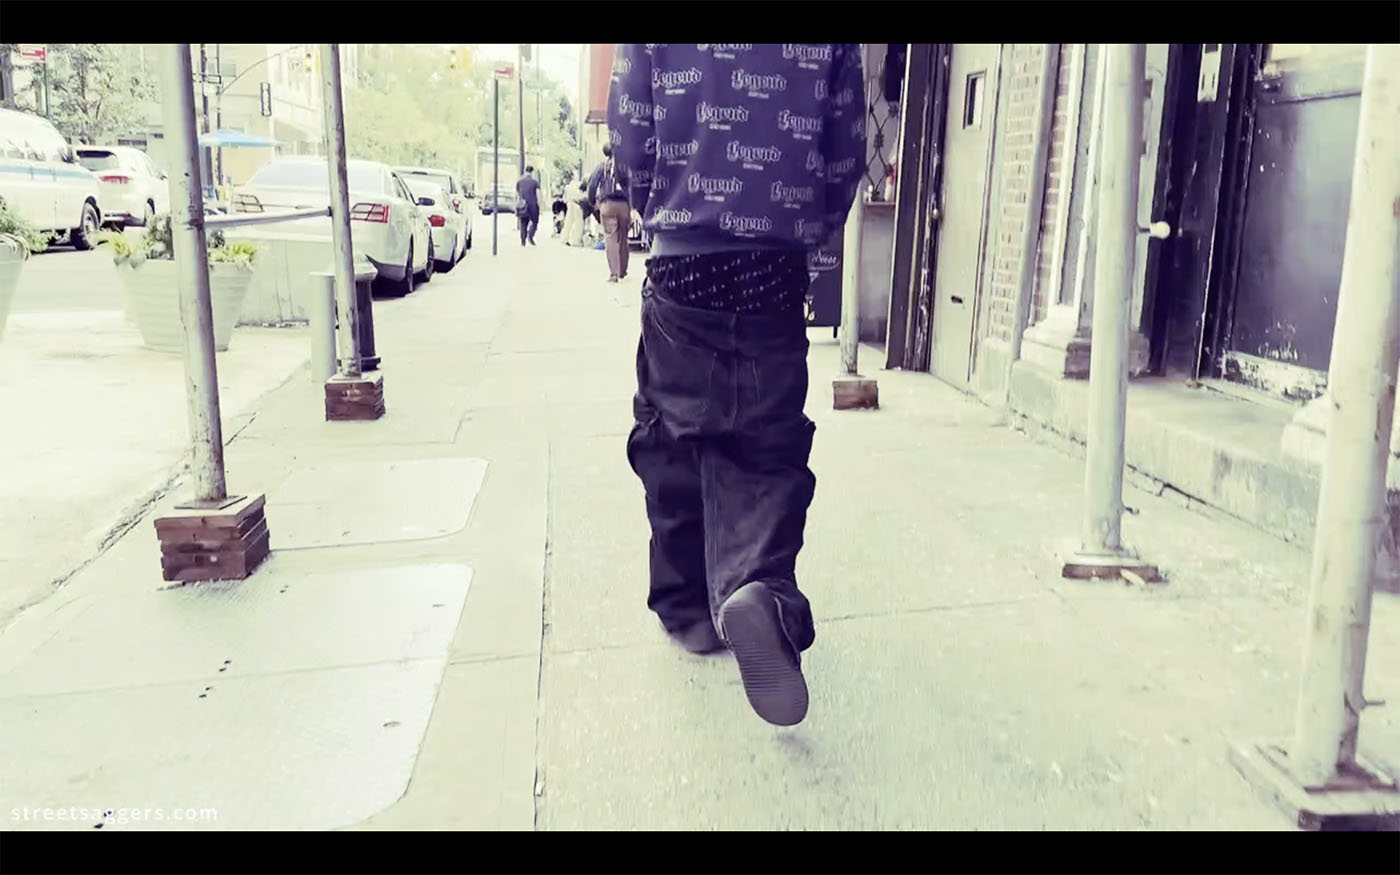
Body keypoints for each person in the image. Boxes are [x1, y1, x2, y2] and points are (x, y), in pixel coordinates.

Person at [609, 44, 865, 726]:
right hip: (773, 265)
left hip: (684, 260)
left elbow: (630, 128)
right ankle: (760, 588)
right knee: (767, 444)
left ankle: (688, 605)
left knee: (671, 431)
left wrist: (658, 207)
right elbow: (845, 149)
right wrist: (808, 232)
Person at [586, 142, 631, 282]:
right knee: (623, 237)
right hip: (625, 205)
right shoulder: (626, 166)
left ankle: (614, 274)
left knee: (611, 237)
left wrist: (592, 202)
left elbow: (592, 185)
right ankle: (623, 270)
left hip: (607, 205)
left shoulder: (602, 166)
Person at [515, 165, 541, 246]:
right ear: (532, 172)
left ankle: (523, 241)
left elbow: (517, 194)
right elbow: (538, 194)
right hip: (533, 205)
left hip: (523, 206)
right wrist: (540, 205)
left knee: (523, 223)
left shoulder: (519, 182)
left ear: (525, 171)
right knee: (535, 222)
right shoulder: (535, 182)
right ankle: (530, 235)